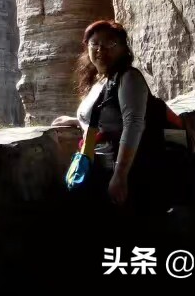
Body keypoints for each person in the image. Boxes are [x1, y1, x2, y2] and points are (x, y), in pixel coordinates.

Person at [51, 19, 169, 241]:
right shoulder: (101, 80)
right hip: (103, 168)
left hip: (130, 172)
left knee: (131, 232)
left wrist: (120, 175)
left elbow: (133, 124)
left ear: (124, 48)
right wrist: (77, 121)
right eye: (94, 44)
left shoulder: (128, 78)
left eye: (110, 44)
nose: (100, 50)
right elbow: (106, 119)